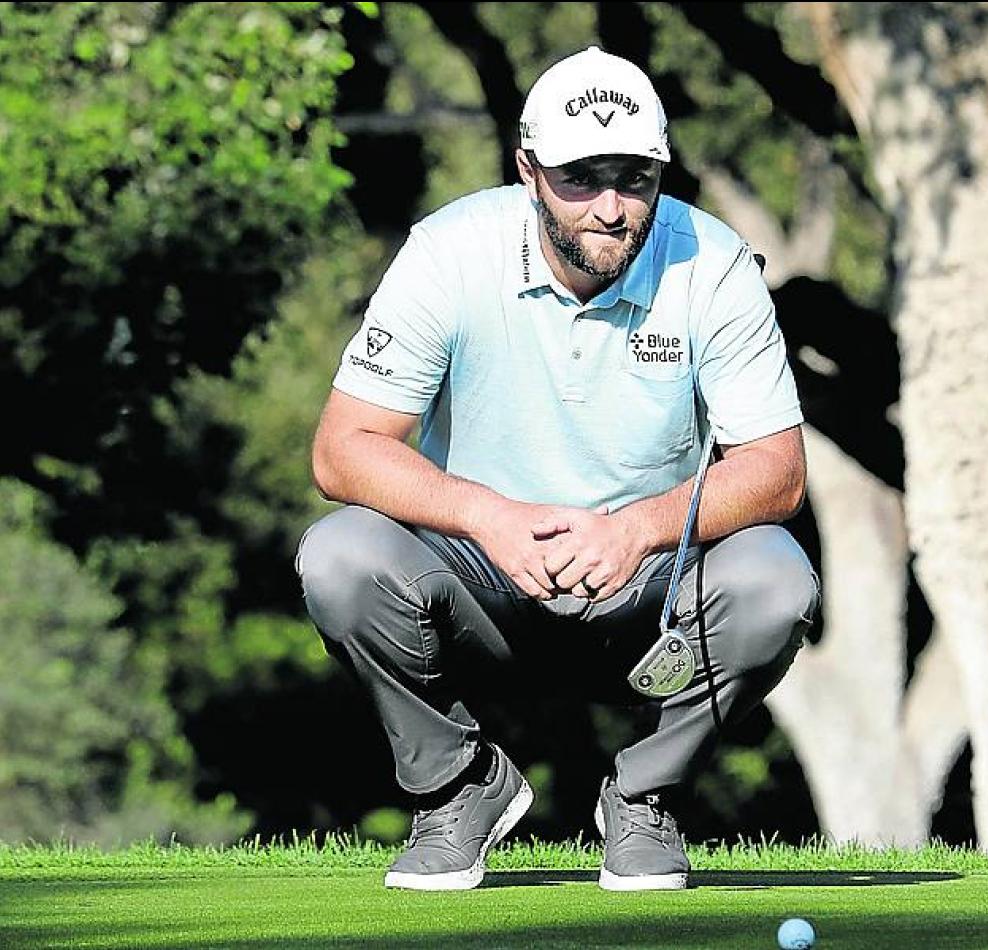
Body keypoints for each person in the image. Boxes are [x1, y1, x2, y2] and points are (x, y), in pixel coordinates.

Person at [296, 45, 819, 892]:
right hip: (479, 582)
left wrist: (636, 529)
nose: (611, 208)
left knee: (776, 580)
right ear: (528, 170)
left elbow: (778, 471)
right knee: (339, 556)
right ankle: (457, 787)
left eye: (635, 177)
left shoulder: (714, 263)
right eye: (581, 178)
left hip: (649, 583)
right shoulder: (447, 252)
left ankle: (644, 799)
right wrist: (491, 518)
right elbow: (342, 447)